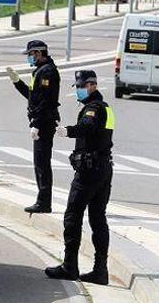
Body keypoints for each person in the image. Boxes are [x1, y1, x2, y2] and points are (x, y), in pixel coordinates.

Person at [45, 70, 115, 285]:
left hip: (89, 171)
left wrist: (67, 131)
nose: (79, 90)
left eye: (82, 86)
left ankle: (70, 266)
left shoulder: (94, 108)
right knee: (97, 218)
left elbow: (87, 127)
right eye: (77, 87)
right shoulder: (106, 108)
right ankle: (100, 270)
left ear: (92, 85)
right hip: (103, 168)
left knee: (73, 216)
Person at [6, 40, 61, 214]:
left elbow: (44, 101)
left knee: (42, 164)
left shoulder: (47, 72)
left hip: (44, 123)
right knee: (39, 164)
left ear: (38, 53)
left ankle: (44, 203)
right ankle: (42, 200)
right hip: (42, 121)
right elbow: (33, 97)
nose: (29, 58)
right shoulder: (40, 71)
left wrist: (36, 123)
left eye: (30, 54)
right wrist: (17, 82)